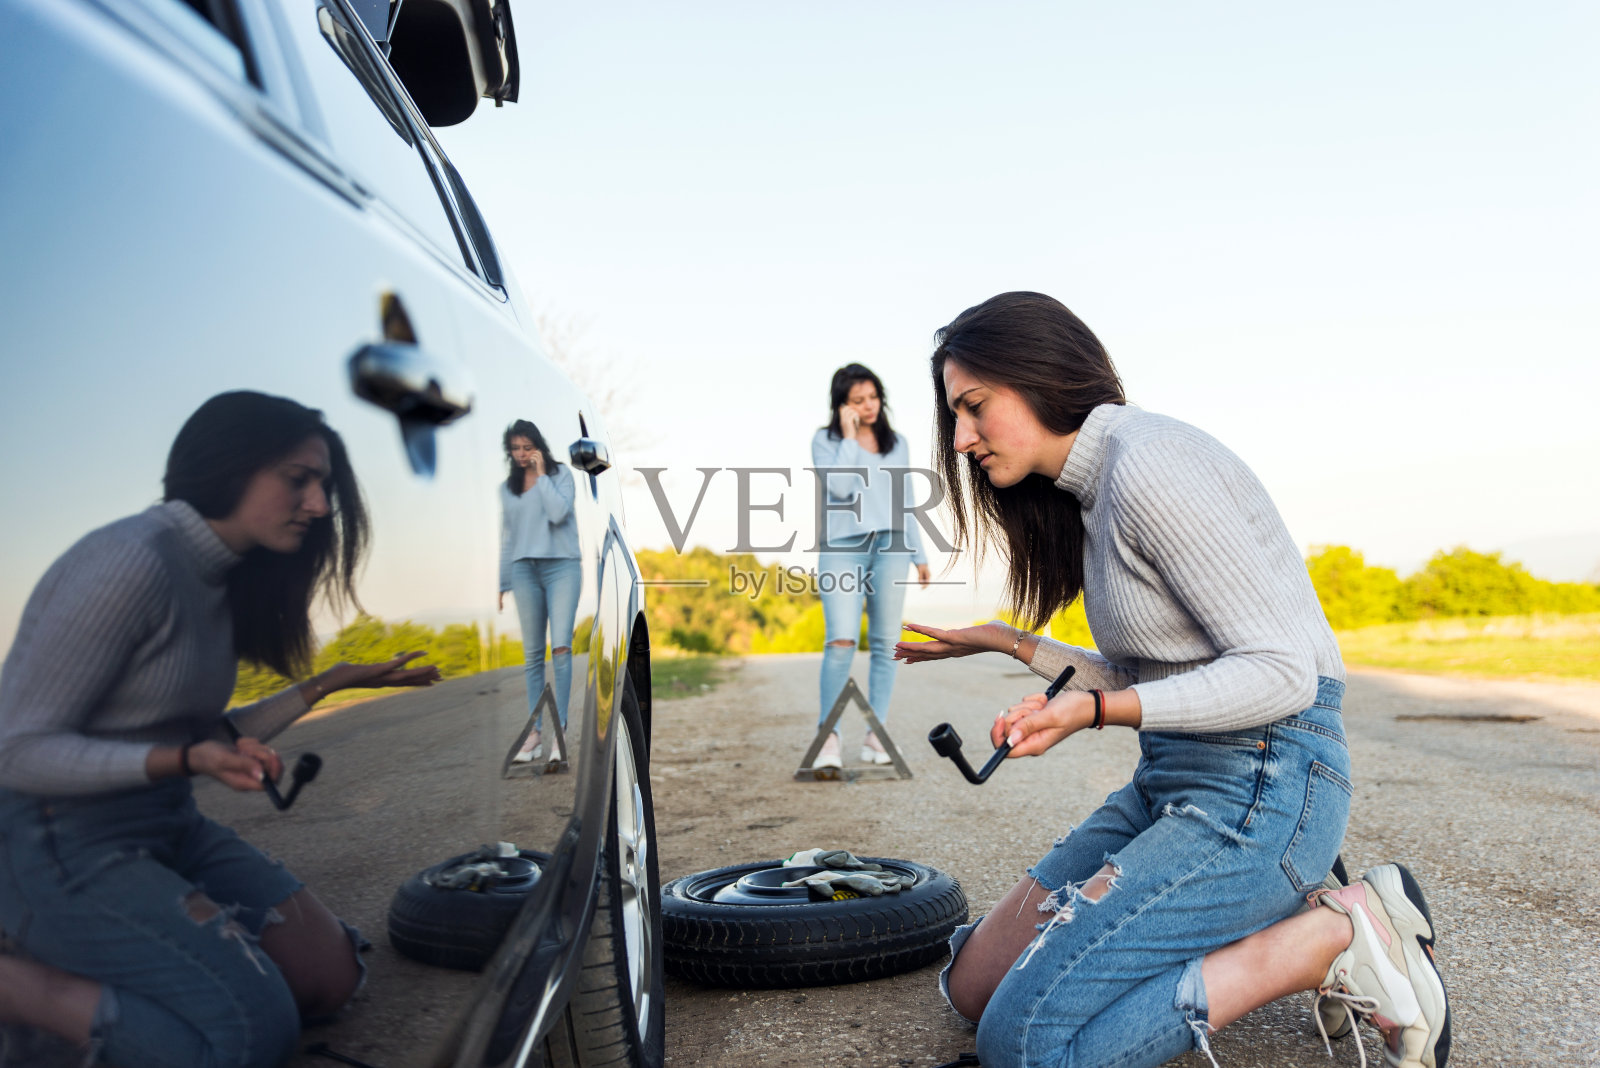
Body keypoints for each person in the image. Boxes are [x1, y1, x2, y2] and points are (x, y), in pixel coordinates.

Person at [895, 294, 1450, 1068]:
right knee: (974, 989)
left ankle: (1327, 938)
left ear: (1038, 374)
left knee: (1021, 1044)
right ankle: (1250, 907)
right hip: (1176, 779)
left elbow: (1281, 673)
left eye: (974, 407)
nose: (960, 440)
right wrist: (1012, 644)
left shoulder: (1151, 462)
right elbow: (1159, 674)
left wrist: (1093, 712)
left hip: (1265, 784)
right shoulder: (1092, 495)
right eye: (955, 416)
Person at [0, 391, 441, 1068]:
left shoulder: (220, 576)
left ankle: (152, 951)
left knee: (329, 978)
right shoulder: (129, 561)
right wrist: (184, 760)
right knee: (250, 1036)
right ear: (229, 466)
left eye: (323, 484)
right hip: (58, 843)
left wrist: (333, 680)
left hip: (164, 824)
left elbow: (204, 735)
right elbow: (16, 751)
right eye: (298, 480)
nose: (321, 505)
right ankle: (24, 984)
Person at [809, 364, 932, 769]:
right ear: (842, 405)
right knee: (841, 640)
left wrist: (919, 553)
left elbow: (906, 497)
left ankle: (875, 735)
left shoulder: (897, 444)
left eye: (873, 397)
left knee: (885, 644)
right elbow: (842, 488)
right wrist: (848, 437)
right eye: (858, 400)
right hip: (843, 548)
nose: (868, 406)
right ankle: (828, 739)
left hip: (892, 546)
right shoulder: (825, 441)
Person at [497, 419, 581, 763]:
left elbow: (559, 513)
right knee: (533, 656)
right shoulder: (507, 488)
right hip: (523, 571)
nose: (521, 454)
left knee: (560, 648)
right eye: (515, 449)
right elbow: (508, 535)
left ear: (539, 446)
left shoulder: (561, 476)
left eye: (526, 447)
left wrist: (542, 474)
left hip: (562, 566)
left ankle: (559, 734)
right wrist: (503, 583)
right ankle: (533, 735)